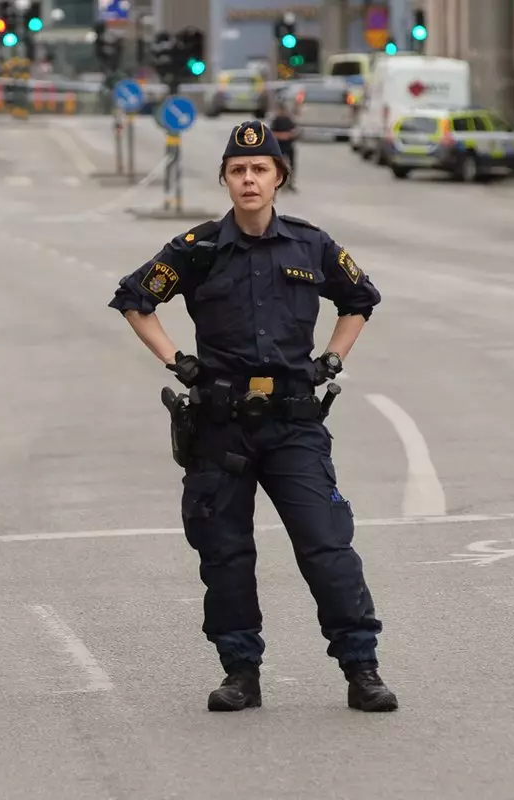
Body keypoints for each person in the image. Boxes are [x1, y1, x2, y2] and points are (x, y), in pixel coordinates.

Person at [107, 120, 398, 714]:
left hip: (294, 423)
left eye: (260, 169)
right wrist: (179, 363)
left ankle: (361, 667)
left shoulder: (311, 245)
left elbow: (359, 300)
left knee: (326, 546)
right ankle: (240, 670)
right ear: (225, 179)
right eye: (238, 171)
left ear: (278, 178)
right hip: (221, 426)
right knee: (226, 554)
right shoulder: (199, 249)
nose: (249, 180)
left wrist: (332, 360)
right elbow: (134, 299)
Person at [269, 99, 299, 190]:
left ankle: (290, 183)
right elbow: (271, 133)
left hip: (289, 145)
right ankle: (277, 182)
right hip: (278, 146)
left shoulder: (289, 120)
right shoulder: (276, 120)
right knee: (277, 165)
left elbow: (295, 131)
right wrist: (282, 135)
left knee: (292, 165)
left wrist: (289, 135)